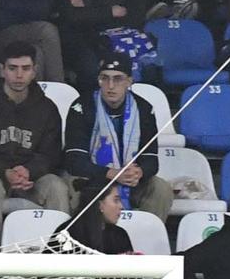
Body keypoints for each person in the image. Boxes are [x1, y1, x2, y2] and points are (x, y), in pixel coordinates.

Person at [62, 50, 172, 221]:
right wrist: (111, 173)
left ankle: (145, 241)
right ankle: (86, 236)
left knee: (160, 188)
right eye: (105, 78)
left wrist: (138, 172)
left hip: (130, 182)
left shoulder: (143, 109)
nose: (110, 86)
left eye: (118, 79)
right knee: (71, 182)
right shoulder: (81, 107)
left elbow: (151, 159)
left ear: (129, 81)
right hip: (92, 179)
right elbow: (74, 161)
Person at [0, 46, 72, 230]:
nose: (19, 75)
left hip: (32, 179)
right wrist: (5, 172)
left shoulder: (47, 108)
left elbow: (51, 154)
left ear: (34, 70)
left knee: (56, 186)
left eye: (25, 68)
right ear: (2, 69)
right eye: (13, 68)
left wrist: (29, 170)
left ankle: (59, 250)